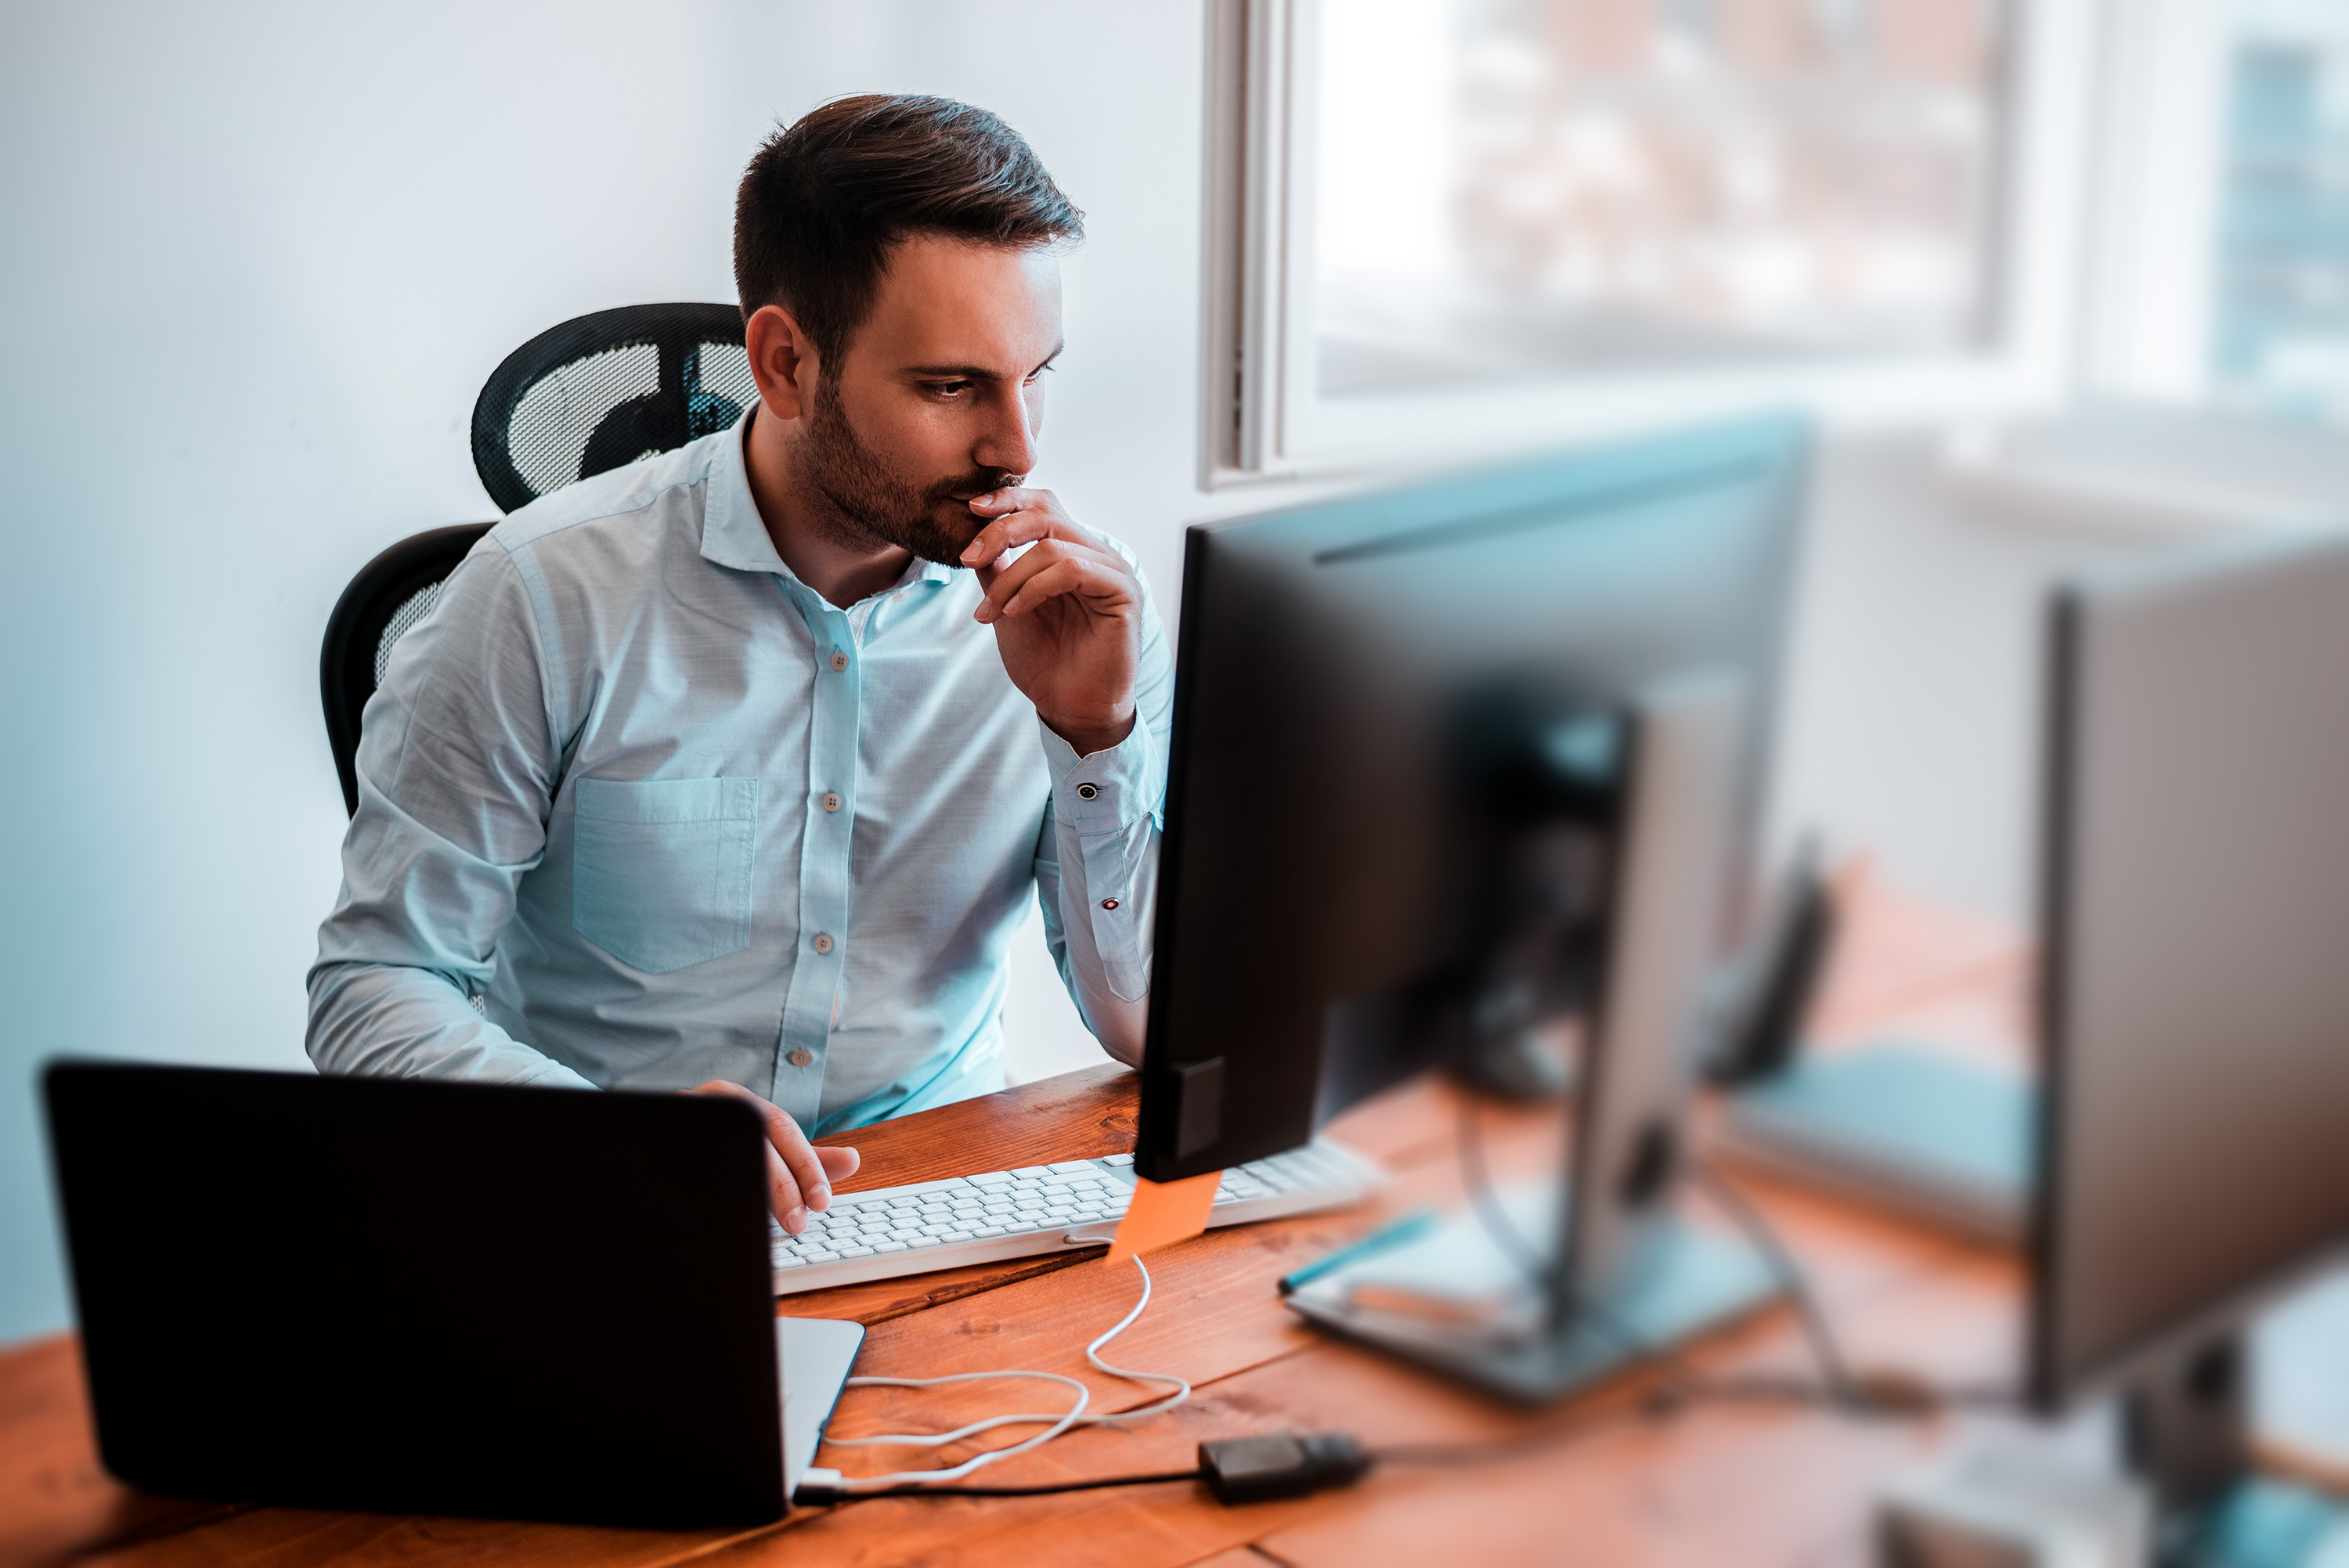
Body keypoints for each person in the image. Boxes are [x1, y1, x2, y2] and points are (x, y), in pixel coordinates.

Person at [308, 95, 1171, 1237]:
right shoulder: (541, 597)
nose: (1017, 448)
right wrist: (609, 1145)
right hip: (623, 1213)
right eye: (950, 387)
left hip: (948, 1195)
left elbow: (1146, 1025)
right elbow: (374, 988)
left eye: (1036, 374)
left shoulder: (1076, 610)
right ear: (783, 363)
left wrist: (1094, 735)